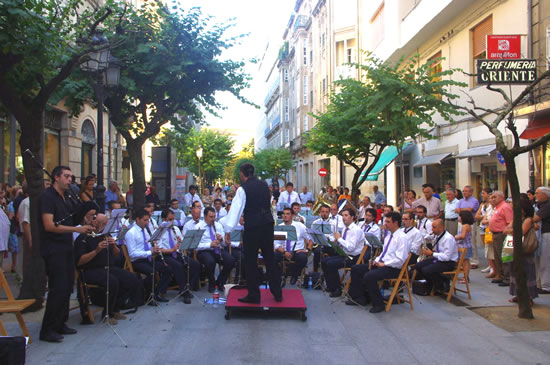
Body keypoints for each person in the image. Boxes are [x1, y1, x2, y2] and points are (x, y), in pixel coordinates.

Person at [39, 166, 94, 343]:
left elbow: (73, 218)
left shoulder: (67, 197)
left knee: (68, 286)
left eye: (71, 177)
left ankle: (60, 323)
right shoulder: (47, 197)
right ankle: (47, 329)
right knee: (58, 288)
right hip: (53, 249)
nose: (70, 180)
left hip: (66, 247)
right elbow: (49, 225)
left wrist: (85, 211)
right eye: (66, 176)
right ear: (56, 177)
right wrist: (77, 229)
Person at [220, 163, 282, 303]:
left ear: (242, 174)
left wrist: (228, 230)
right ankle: (277, 292)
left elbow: (236, 210)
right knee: (269, 259)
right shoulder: (264, 186)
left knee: (250, 261)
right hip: (267, 224)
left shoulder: (243, 189)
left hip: (253, 226)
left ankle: (254, 295)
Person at [74, 211, 140, 323]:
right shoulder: (83, 237)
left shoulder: (105, 235)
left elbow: (116, 254)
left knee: (131, 279)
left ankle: (115, 308)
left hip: (107, 267)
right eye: (103, 223)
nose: (105, 226)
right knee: (113, 281)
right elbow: (79, 261)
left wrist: (114, 245)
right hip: (90, 270)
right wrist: (96, 250)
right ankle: (107, 314)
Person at [346, 212, 410, 312]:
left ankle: (378, 304)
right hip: (383, 264)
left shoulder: (402, 237)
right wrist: (375, 260)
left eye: (388, 222)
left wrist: (384, 264)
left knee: (369, 276)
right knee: (356, 268)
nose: (385, 224)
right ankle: (359, 297)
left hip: (393, 268)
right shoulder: (389, 236)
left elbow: (400, 259)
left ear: (396, 223)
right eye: (385, 221)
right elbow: (384, 253)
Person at [125, 208, 171, 304]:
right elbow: (132, 253)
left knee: (167, 269)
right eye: (145, 220)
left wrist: (154, 246)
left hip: (148, 258)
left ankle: (157, 292)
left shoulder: (145, 230)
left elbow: (148, 244)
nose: (147, 223)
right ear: (137, 219)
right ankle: (149, 297)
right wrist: (150, 252)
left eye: (148, 220)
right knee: (152, 272)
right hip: (137, 261)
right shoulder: (131, 233)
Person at [157, 209, 199, 304]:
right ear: (163, 219)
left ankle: (187, 288)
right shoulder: (159, 231)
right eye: (169, 220)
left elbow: (183, 243)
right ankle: (184, 292)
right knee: (178, 266)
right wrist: (171, 250)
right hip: (166, 255)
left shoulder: (175, 229)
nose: (171, 222)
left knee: (195, 264)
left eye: (172, 220)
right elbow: (158, 249)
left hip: (177, 254)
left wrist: (181, 242)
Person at [321, 208, 366, 297]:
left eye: (346, 215)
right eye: (342, 216)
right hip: (345, 254)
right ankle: (331, 286)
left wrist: (339, 239)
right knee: (324, 261)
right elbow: (344, 244)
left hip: (353, 257)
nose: (343, 218)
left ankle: (338, 289)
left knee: (331, 263)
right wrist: (335, 241)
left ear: (352, 217)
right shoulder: (345, 228)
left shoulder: (356, 230)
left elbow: (351, 247)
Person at [414, 218, 458, 293]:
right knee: (418, 266)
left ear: (441, 228)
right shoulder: (438, 236)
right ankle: (432, 284)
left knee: (426, 270)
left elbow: (447, 257)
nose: (432, 229)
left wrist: (432, 254)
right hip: (439, 260)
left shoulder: (448, 238)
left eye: (434, 227)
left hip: (448, 262)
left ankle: (442, 284)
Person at [196, 207, 235, 292]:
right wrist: (209, 244)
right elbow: (196, 246)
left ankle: (220, 281)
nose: (213, 219)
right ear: (205, 216)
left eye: (214, 217)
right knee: (210, 261)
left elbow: (224, 244)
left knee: (231, 260)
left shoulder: (218, 225)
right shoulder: (198, 227)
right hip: (204, 251)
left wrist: (222, 240)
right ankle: (211, 282)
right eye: (211, 217)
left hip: (217, 249)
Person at [508, 195, 538, 303]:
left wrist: (511, 230)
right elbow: (506, 230)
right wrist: (510, 230)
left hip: (524, 248)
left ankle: (529, 297)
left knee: (526, 271)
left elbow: (519, 232)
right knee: (514, 270)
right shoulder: (516, 219)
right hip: (513, 246)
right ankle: (517, 294)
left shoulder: (528, 220)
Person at [274, 208, 310, 286]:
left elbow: (310, 239)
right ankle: (280, 276)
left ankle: (295, 275)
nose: (285, 216)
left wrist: (307, 249)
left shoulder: (300, 226)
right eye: (284, 214)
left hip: (296, 251)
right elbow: (276, 243)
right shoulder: (279, 227)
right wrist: (284, 252)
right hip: (283, 251)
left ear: (292, 216)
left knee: (303, 258)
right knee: (273, 257)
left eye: (288, 214)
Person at [489, 191, 513, 286]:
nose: (492, 199)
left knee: (505, 256)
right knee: (498, 256)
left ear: (501, 197)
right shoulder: (497, 208)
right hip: (496, 234)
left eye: (495, 197)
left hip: (503, 234)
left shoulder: (505, 207)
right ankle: (500, 275)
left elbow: (510, 221)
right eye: (492, 197)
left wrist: (508, 233)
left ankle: (507, 278)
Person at [456, 185, 480, 268]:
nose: (464, 193)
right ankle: (464, 260)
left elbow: (470, 210)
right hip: (461, 222)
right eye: (463, 191)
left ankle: (474, 261)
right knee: (461, 243)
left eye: (466, 191)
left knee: (471, 241)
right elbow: (456, 210)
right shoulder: (461, 201)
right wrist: (465, 209)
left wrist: (461, 209)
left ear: (471, 192)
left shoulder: (475, 201)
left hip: (470, 223)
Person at [534, 186, 550, 294]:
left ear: (545, 195)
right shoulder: (538, 205)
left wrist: (532, 221)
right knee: (539, 259)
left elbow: (535, 218)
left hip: (546, 234)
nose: (536, 195)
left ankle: (546, 285)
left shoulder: (547, 206)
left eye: (537, 193)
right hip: (540, 234)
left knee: (545, 260)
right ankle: (539, 283)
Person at [475, 188, 494, 276]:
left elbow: (484, 216)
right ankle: (490, 265)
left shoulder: (491, 205)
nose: (482, 195)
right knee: (485, 247)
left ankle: (493, 266)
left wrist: (483, 217)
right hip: (483, 227)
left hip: (489, 228)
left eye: (483, 193)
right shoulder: (482, 204)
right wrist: (484, 217)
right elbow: (477, 215)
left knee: (490, 247)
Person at [311, 205, 335, 272]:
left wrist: (329, 238)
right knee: (317, 251)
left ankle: (328, 271)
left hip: (329, 244)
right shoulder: (315, 222)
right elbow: (312, 235)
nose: (324, 214)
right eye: (323, 212)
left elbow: (335, 236)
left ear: (329, 212)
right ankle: (315, 272)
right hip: (318, 243)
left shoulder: (333, 223)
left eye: (326, 212)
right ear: (320, 212)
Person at [455, 211, 474, 283]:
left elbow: (463, 236)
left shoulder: (465, 226)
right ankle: (465, 276)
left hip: (465, 246)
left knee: (465, 262)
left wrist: (456, 237)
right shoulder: (465, 225)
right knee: (464, 261)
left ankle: (466, 277)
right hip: (463, 245)